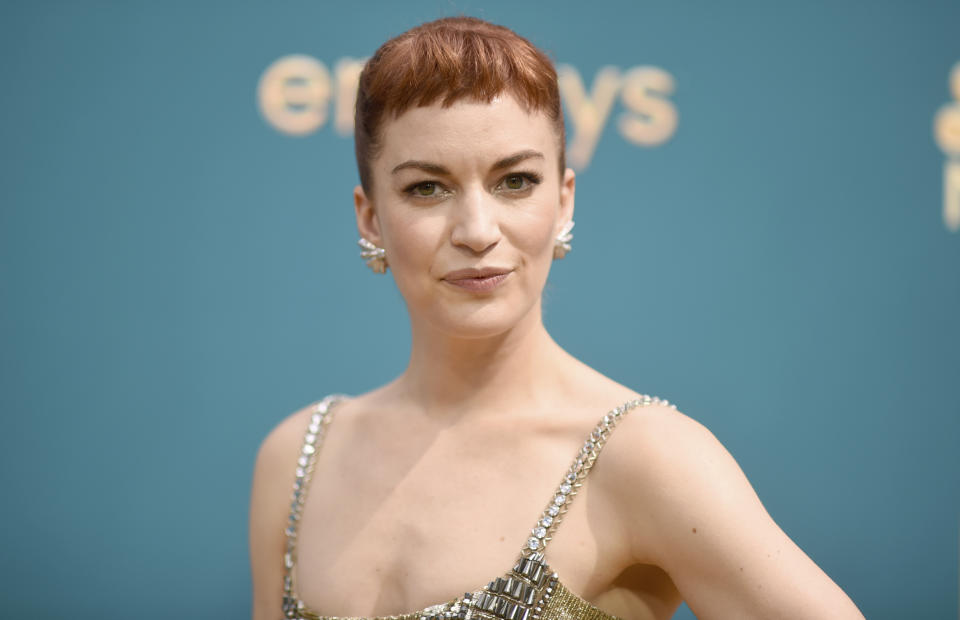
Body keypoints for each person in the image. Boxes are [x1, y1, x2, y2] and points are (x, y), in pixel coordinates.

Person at [249, 16, 864, 620]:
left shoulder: (643, 457)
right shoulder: (299, 456)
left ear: (563, 199)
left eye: (515, 181)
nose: (477, 231)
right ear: (370, 219)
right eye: (426, 188)